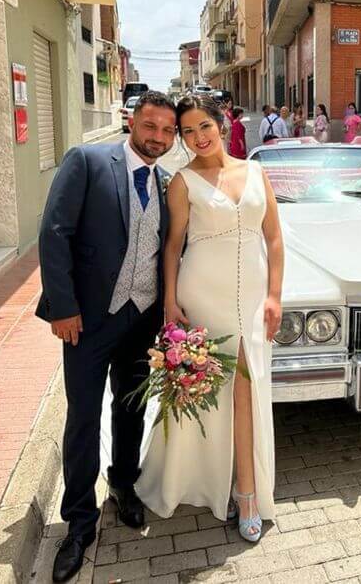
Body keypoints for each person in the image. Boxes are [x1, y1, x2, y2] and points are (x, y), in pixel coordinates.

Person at [36, 91, 177, 582]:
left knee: (131, 408)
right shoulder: (88, 161)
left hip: (142, 319)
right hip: (88, 320)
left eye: (167, 131)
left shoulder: (165, 184)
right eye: (151, 126)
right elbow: (54, 232)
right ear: (132, 122)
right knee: (82, 418)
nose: (158, 137)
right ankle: (78, 521)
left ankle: (123, 484)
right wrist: (64, 307)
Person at [137, 94, 284, 544]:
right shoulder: (182, 181)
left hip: (254, 298)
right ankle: (240, 493)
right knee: (220, 389)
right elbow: (173, 245)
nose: (198, 138)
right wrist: (170, 302)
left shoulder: (256, 171)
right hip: (204, 294)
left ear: (221, 124)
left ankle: (246, 489)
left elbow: (274, 239)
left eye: (204, 126)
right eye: (187, 132)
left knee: (248, 388)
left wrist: (276, 296)